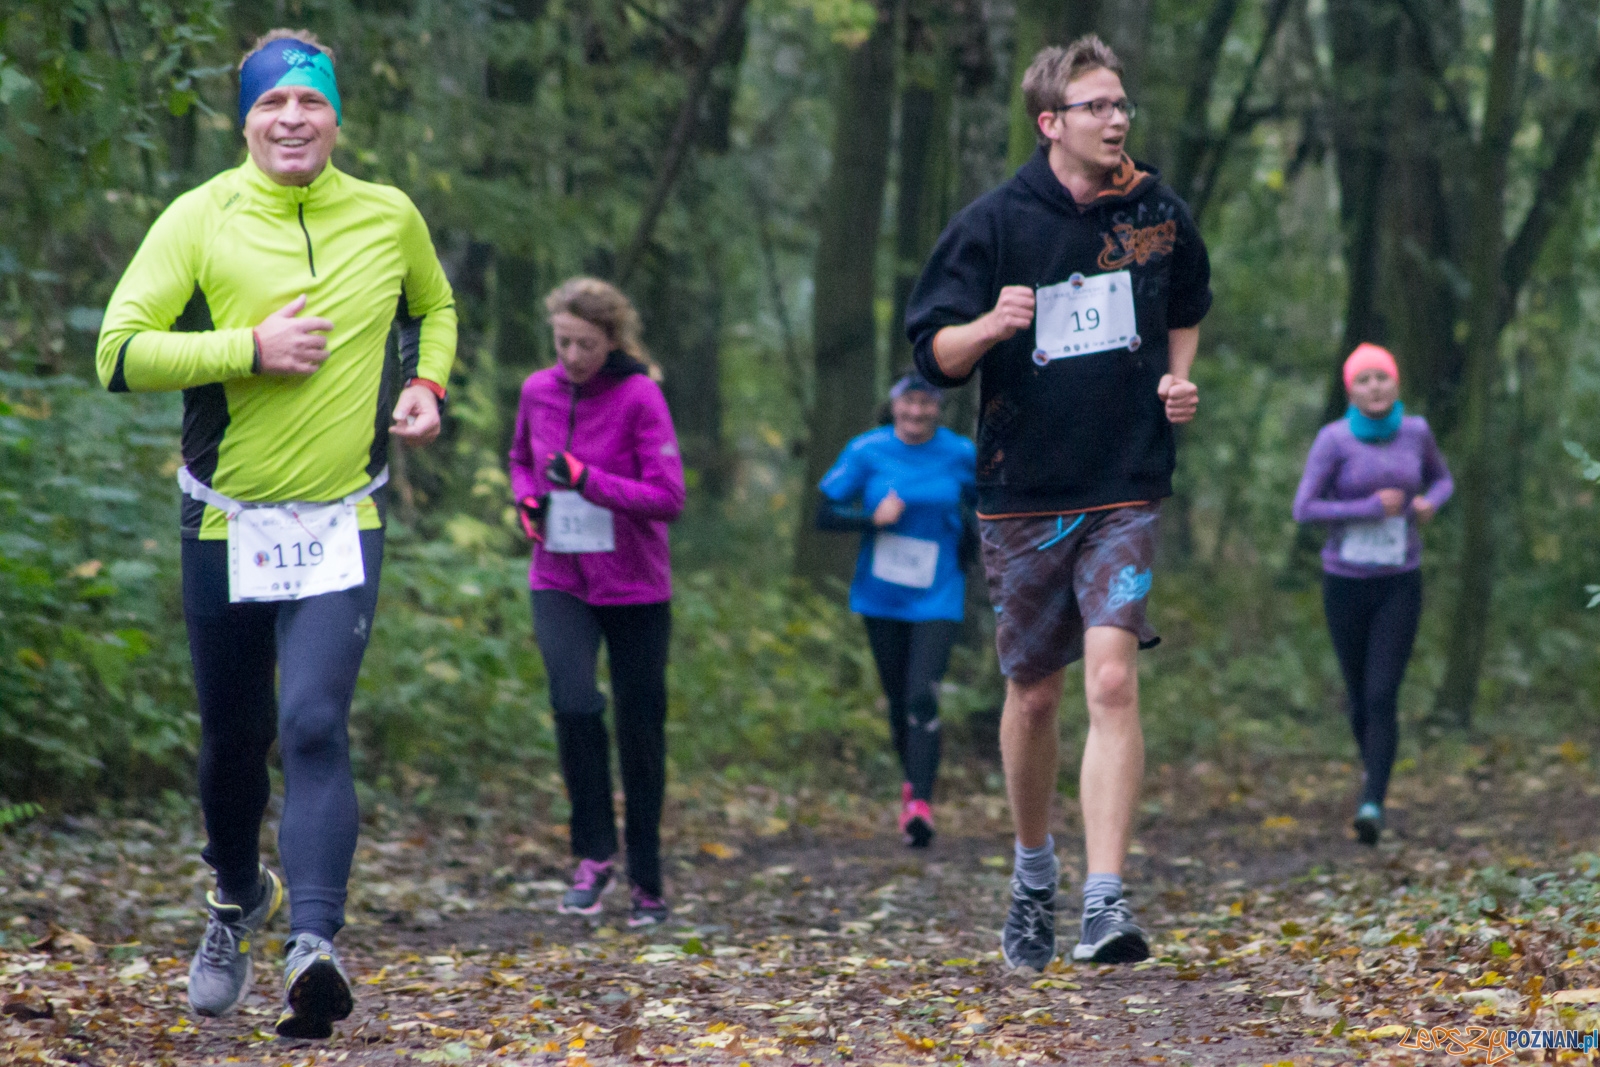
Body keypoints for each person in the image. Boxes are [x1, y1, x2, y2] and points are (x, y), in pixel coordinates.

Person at [94, 30, 456, 1038]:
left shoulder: (387, 215)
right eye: (272, 105)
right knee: (232, 742)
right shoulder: (198, 217)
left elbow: (435, 303)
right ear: (245, 118)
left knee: (313, 724)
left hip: (345, 517)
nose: (292, 120)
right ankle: (234, 897)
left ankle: (315, 943)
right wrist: (246, 348)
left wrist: (427, 383)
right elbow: (117, 353)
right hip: (226, 519)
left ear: (337, 118)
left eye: (311, 103)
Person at [905, 35, 1212, 970]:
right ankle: (1034, 871)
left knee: (1112, 678)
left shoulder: (1157, 211)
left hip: (1125, 479)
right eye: (1097, 107)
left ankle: (1104, 899)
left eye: (1122, 104)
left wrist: (1178, 380)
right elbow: (931, 356)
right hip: (1021, 489)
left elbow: (1188, 303)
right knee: (1034, 693)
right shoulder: (994, 222)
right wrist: (989, 325)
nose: (1117, 119)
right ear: (1052, 123)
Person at [508, 278, 685, 928]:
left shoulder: (640, 396)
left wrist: (589, 480)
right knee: (574, 701)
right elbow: (520, 457)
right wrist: (527, 497)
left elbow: (668, 495)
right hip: (560, 576)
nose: (574, 355)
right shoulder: (537, 389)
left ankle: (647, 876)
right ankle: (593, 854)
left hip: (636, 584)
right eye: (563, 342)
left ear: (612, 340)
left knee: (641, 727)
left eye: (586, 343)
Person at [1292, 344, 1452, 845]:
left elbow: (1443, 479)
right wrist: (1364, 507)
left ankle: (1373, 802)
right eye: (1364, 380)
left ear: (1396, 383)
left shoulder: (1417, 432)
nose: (1375, 387)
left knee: (1383, 693)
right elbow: (1304, 508)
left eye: (1382, 377)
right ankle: (1372, 775)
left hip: (1400, 580)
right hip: (1345, 582)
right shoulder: (1333, 439)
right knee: (1360, 696)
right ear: (1350, 390)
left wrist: (1429, 502)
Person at [815, 372, 977, 848]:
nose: (917, 413)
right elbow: (825, 514)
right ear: (894, 406)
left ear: (939, 409)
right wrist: (870, 518)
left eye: (927, 405)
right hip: (881, 595)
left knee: (922, 694)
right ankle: (912, 787)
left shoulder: (960, 454)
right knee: (898, 696)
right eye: (909, 404)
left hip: (939, 592)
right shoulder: (867, 451)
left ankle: (920, 801)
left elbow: (985, 503)